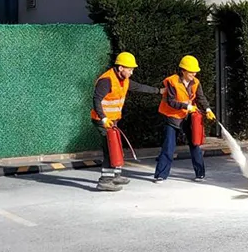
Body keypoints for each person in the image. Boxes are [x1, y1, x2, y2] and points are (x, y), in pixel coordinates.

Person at [91, 51, 159, 192]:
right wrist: (104, 118)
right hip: (102, 121)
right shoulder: (106, 80)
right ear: (121, 68)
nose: (131, 72)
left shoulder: (124, 80)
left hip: (113, 120)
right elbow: (96, 100)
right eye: (130, 69)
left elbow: (140, 87)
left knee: (115, 147)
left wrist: (159, 91)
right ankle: (105, 181)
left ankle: (115, 176)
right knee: (110, 149)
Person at [154, 55, 215, 183]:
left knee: (195, 144)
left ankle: (200, 174)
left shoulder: (196, 82)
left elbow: (200, 97)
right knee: (169, 147)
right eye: (191, 71)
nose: (194, 73)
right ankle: (161, 175)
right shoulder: (172, 82)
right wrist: (187, 106)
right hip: (172, 118)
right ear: (183, 70)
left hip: (188, 118)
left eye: (195, 71)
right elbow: (171, 101)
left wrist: (208, 109)